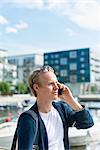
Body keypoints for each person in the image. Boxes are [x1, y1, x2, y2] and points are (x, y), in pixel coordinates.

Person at [16, 65, 94, 150]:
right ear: (36, 87)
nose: (56, 87)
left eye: (57, 83)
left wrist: (70, 100)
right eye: (51, 84)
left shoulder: (62, 109)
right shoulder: (28, 119)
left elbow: (87, 123)